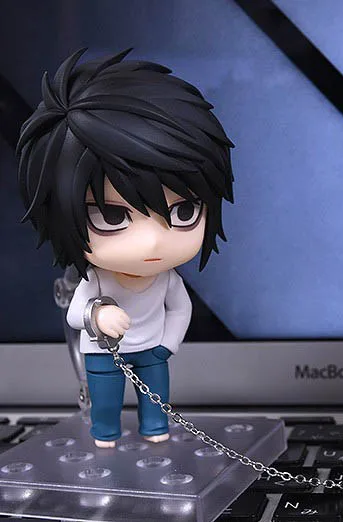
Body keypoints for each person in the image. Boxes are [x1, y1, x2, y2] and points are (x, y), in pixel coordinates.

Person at [17, 48, 234, 447]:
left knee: (157, 402)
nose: (152, 241)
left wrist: (167, 345)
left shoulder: (166, 279)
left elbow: (180, 308)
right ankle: (105, 433)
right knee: (105, 403)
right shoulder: (96, 278)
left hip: (152, 352)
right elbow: (76, 312)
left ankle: (154, 428)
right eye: (112, 216)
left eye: (183, 211)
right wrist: (99, 315)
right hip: (103, 353)